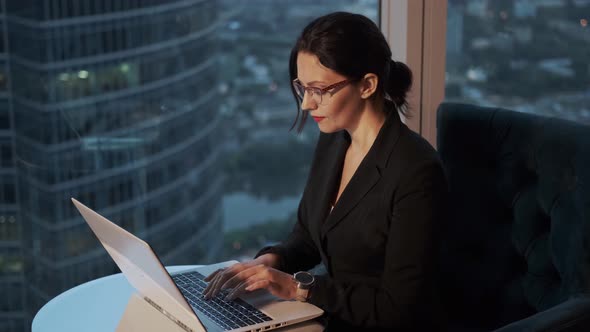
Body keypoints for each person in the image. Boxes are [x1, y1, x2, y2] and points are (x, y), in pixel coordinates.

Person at [203, 12, 448, 331]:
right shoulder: (334, 140)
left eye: (319, 89)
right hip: (331, 319)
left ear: (367, 85)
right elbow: (309, 236)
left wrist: (297, 288)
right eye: (302, 88)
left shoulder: (416, 172)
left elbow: (397, 309)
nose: (306, 104)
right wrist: (269, 262)